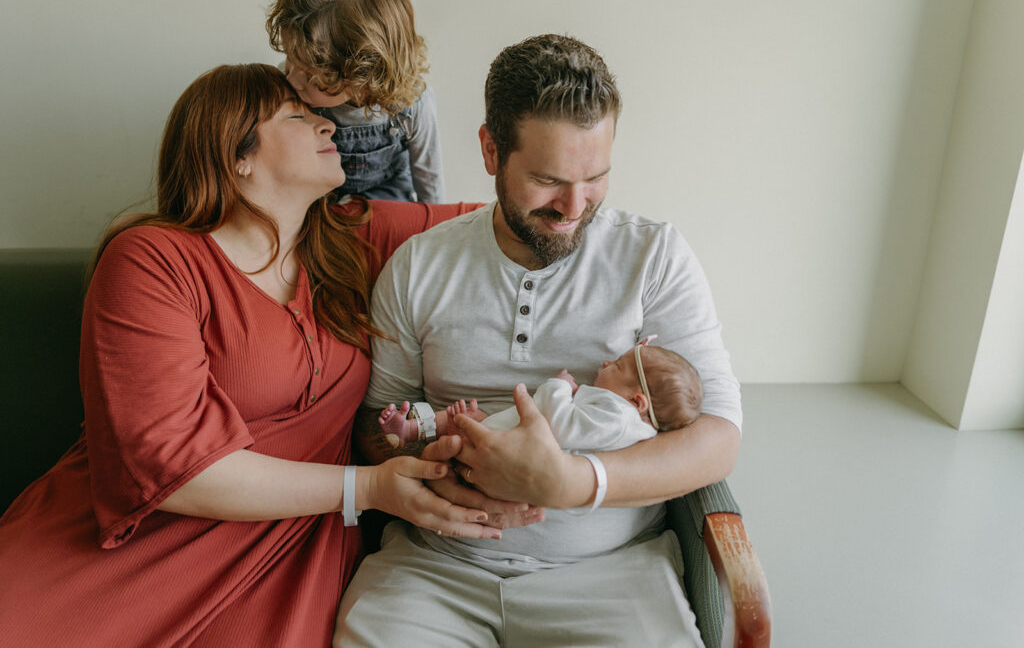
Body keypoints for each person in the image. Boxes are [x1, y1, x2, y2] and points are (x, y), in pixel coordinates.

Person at [0, 63, 497, 647]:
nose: (328, 127)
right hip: (126, 553)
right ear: (238, 155)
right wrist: (366, 490)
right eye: (298, 116)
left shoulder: (357, 239)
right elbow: (174, 468)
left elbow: (505, 220)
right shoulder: (152, 259)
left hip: (287, 560)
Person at [335, 35, 742, 647]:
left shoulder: (653, 257)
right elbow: (373, 423)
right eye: (548, 181)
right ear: (491, 150)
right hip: (435, 569)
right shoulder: (420, 266)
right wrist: (425, 475)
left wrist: (574, 484)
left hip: (612, 575)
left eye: (595, 178)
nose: (574, 207)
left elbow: (716, 440)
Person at [267, 0, 445, 203]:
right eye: (290, 59)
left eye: (311, 76)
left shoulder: (413, 106)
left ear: (364, 79)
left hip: (387, 198)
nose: (291, 80)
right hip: (319, 198)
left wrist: (435, 229)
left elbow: (429, 181)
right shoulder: (288, 87)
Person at [378, 341, 703, 450]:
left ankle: (410, 431)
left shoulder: (618, 417)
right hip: (512, 434)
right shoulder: (622, 421)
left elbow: (562, 426)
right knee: (462, 420)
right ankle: (410, 430)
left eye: (617, 366)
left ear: (637, 401)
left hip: (513, 447)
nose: (606, 362)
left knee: (459, 425)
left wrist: (559, 386)